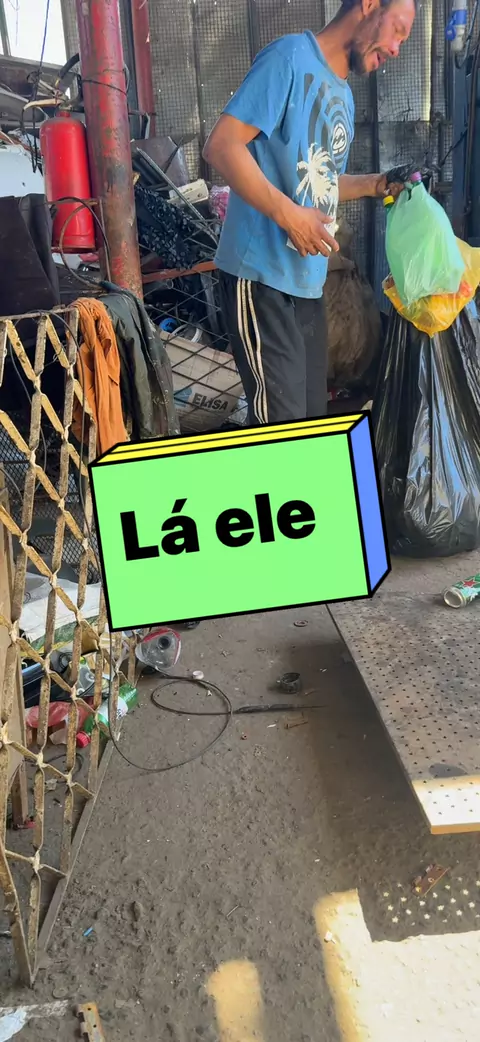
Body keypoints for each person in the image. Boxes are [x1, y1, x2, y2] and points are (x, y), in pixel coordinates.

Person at [203, 0, 417, 425]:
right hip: (261, 276)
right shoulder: (288, 59)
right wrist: (289, 216)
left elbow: (321, 185)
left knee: (311, 424)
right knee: (280, 434)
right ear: (369, 5)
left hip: (307, 285)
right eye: (398, 31)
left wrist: (376, 183)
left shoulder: (343, 98)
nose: (396, 48)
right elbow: (222, 146)